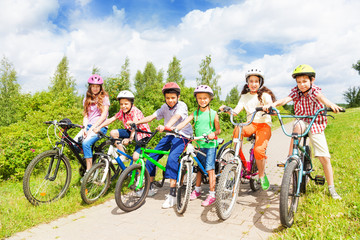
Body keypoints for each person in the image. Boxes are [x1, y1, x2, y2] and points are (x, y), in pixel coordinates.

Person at [264, 64, 342, 199]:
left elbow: (322, 98)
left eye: (305, 81)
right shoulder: (296, 91)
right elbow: (285, 100)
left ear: (312, 81)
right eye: (299, 82)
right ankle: (290, 157)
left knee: (324, 157)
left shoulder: (315, 90)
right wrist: (273, 104)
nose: (302, 85)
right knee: (297, 126)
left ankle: (332, 189)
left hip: (316, 122)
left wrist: (331, 105)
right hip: (302, 120)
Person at [127, 82, 193, 209]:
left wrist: (167, 127)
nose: (170, 100)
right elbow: (152, 117)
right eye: (168, 98)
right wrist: (136, 122)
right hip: (169, 135)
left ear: (178, 97)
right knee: (152, 157)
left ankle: (173, 195)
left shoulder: (182, 105)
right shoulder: (164, 107)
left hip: (182, 135)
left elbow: (176, 117)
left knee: (172, 159)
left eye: (173, 97)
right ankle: (150, 187)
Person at [220, 67, 276, 191]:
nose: (253, 84)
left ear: (260, 83)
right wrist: (228, 109)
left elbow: (271, 105)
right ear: (247, 83)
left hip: (263, 125)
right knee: (236, 130)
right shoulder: (244, 96)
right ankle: (243, 163)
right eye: (251, 81)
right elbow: (236, 111)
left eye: (256, 81)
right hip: (250, 124)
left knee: (259, 150)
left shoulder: (265, 95)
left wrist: (268, 107)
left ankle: (261, 175)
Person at [175, 85, 221, 207]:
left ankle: (212, 194)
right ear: (196, 99)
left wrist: (213, 134)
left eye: (205, 98)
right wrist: (174, 129)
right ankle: (197, 190)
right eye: (200, 98)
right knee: (199, 168)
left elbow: (218, 130)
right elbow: (184, 123)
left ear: (210, 99)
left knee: (209, 168)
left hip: (210, 144)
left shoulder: (213, 113)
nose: (202, 100)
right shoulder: (195, 113)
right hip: (199, 144)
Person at [94, 90, 150, 162]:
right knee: (113, 133)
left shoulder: (135, 111)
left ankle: (140, 173)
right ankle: (123, 155)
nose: (123, 106)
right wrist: (99, 127)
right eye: (121, 104)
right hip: (131, 131)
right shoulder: (122, 112)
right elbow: (111, 119)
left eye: (126, 104)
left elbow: (134, 126)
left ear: (131, 103)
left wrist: (130, 139)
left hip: (142, 134)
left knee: (136, 158)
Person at [75, 74, 110, 177]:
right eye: (93, 86)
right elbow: (86, 115)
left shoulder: (104, 98)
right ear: (90, 86)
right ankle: (89, 160)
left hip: (100, 127)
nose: (95, 88)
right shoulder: (87, 98)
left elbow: (103, 116)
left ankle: (88, 172)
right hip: (89, 126)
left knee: (85, 143)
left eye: (97, 86)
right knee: (74, 144)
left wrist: (93, 128)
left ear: (100, 87)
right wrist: (85, 128)